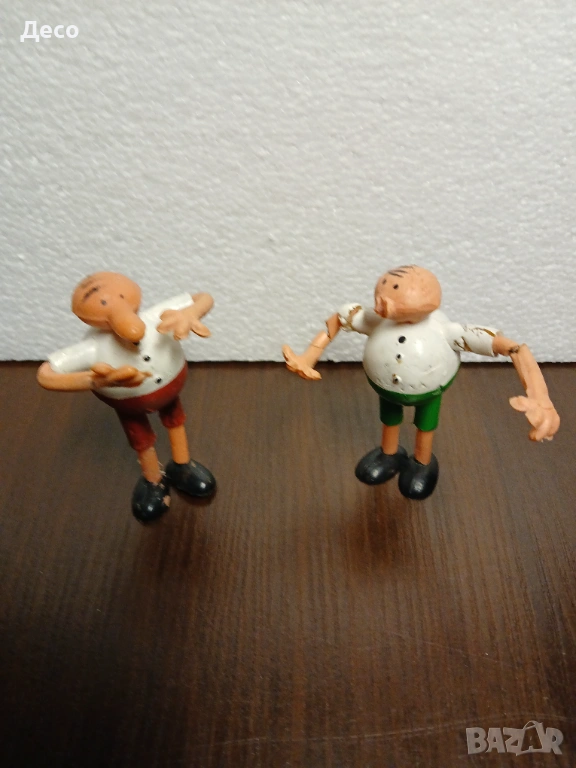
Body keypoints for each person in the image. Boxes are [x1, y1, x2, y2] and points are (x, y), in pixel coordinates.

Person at [282, 265, 560, 500]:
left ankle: (422, 462)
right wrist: (309, 356)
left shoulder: (447, 331)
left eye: (395, 289)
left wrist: (539, 394)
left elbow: (513, 348)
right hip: (385, 388)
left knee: (425, 424)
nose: (382, 300)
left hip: (430, 391)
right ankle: (389, 453)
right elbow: (340, 319)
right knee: (389, 417)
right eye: (384, 287)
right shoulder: (375, 320)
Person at [37, 271, 216, 522]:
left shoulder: (158, 316)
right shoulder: (93, 347)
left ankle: (182, 465)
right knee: (140, 437)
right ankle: (153, 480)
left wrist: (189, 313)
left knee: (175, 419)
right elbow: (46, 375)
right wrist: (92, 380)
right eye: (101, 302)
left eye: (120, 296)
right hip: (128, 403)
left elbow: (203, 297)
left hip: (171, 389)